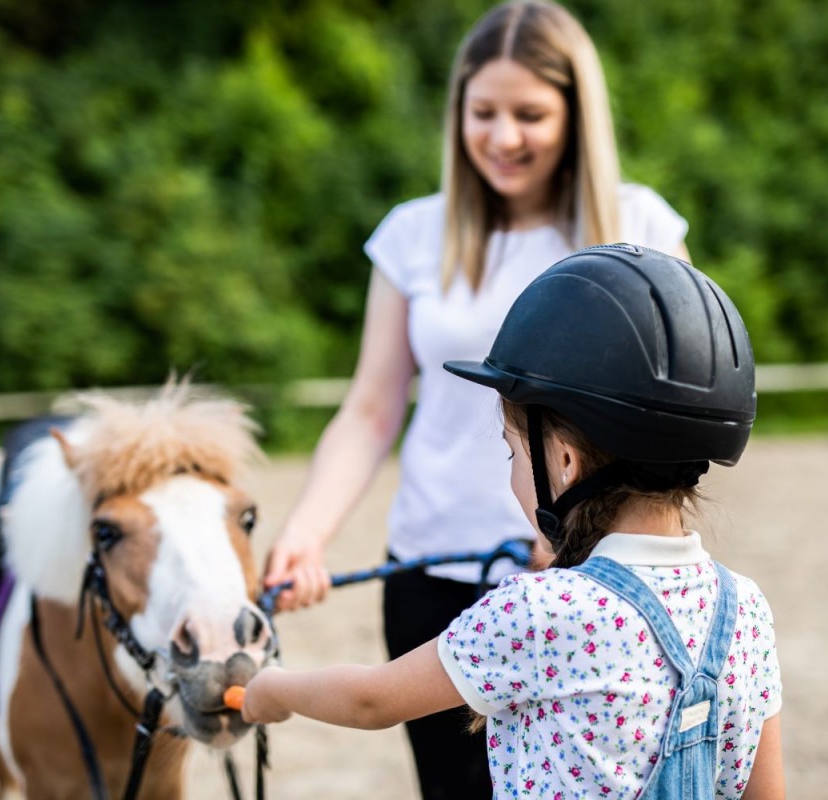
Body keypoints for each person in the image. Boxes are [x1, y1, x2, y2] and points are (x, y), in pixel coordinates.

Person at [263, 2, 693, 797]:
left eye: (530, 113)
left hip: (592, 581)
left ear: (576, 115)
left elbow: (672, 411)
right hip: (433, 574)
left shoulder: (638, 225)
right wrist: (306, 532)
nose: (502, 137)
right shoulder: (412, 236)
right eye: (483, 112)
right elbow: (371, 407)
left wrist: (578, 538)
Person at [245, 246, 785, 799]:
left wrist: (273, 691)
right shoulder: (745, 608)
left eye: (512, 453)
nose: (512, 473)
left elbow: (371, 699)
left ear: (567, 462)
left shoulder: (537, 611)